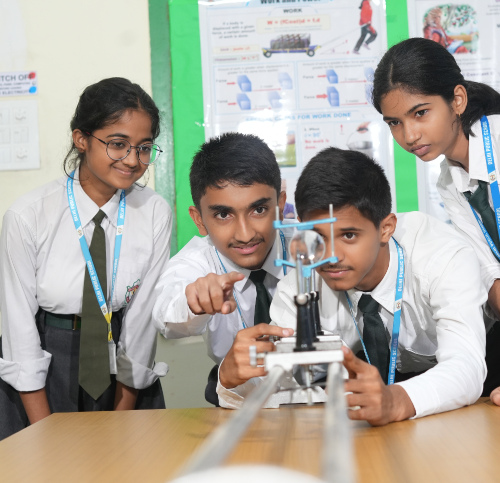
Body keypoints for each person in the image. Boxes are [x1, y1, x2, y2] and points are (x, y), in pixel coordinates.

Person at [219, 147, 487, 425]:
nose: (330, 256)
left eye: (348, 235)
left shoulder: (442, 258)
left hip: (464, 389)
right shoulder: (298, 290)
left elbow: (466, 366)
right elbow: (281, 385)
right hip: (372, 397)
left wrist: (395, 400)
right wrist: (230, 379)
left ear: (386, 228)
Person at [0, 78, 172, 440]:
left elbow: (142, 319)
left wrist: (121, 420)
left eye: (144, 148)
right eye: (118, 144)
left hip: (125, 364)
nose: (132, 160)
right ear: (81, 139)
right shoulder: (28, 215)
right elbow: (18, 327)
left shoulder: (154, 212)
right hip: (46, 363)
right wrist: (43, 432)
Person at [371, 37, 500, 404]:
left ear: (457, 100)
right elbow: (491, 274)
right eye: (394, 122)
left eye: (420, 113)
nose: (409, 135)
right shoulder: (448, 181)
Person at [153, 133, 294, 406]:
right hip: (236, 399)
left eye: (259, 210)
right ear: (199, 220)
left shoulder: (313, 247)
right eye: (223, 214)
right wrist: (194, 301)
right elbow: (165, 314)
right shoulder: (197, 261)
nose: (245, 234)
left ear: (280, 205)